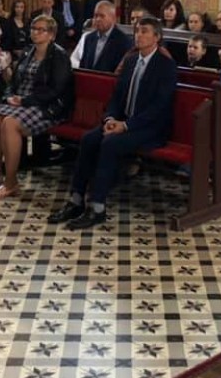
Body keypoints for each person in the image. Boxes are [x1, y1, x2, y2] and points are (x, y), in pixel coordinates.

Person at [47, 17, 177, 230]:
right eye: (137, 31)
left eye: (144, 31)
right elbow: (116, 97)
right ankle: (76, 200)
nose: (139, 35)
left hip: (149, 128)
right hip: (121, 122)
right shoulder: (131, 61)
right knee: (89, 139)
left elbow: (159, 107)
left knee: (110, 144)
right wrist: (110, 119)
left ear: (157, 37)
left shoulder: (166, 65)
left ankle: (97, 207)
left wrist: (125, 126)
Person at [0, 16, 74, 201]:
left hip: (45, 106)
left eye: (41, 30)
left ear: (51, 35)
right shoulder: (27, 52)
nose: (35, 32)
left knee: (9, 124)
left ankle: (11, 183)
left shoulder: (59, 56)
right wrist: (8, 97)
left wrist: (26, 100)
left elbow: (56, 90)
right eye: (33, 28)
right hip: (20, 102)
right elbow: (13, 82)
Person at [69, 0, 133, 72]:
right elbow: (83, 66)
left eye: (102, 16)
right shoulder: (88, 38)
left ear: (113, 18)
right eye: (96, 16)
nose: (98, 19)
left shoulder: (124, 41)